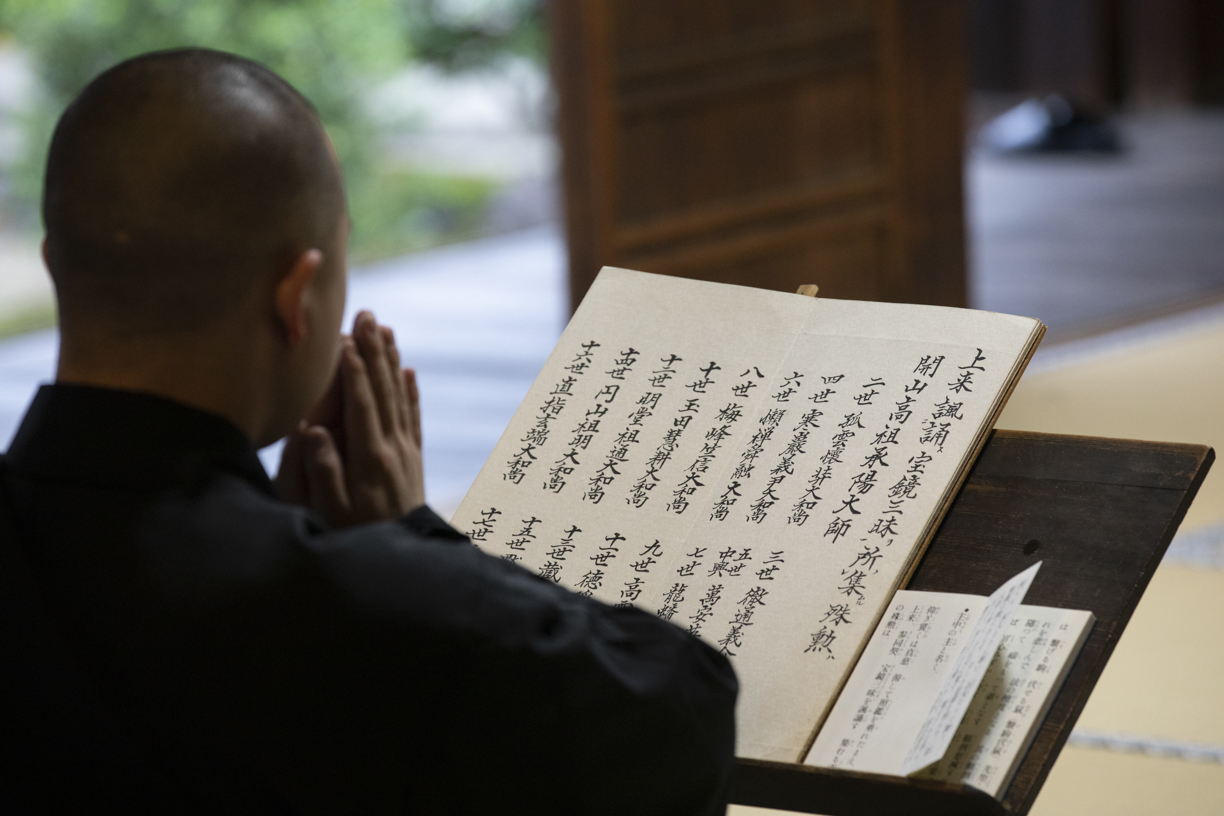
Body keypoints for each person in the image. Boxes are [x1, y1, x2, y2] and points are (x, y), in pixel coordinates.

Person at [0, 48, 737, 814]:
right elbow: (681, 719)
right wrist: (408, 536)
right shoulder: (361, 610)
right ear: (298, 296)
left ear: (57, 266)